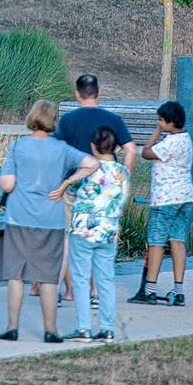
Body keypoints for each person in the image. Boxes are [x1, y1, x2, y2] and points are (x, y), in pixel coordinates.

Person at [0, 100, 97, 344]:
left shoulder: (18, 146)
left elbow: (7, 184)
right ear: (54, 120)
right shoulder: (62, 149)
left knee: (16, 275)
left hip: (19, 217)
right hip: (51, 220)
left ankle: (12, 327)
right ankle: (50, 330)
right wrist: (66, 183)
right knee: (48, 277)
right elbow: (92, 163)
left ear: (31, 117)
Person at [49, 74, 137, 303]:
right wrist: (123, 175)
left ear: (77, 94)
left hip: (75, 184)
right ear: (99, 93)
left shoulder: (68, 120)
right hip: (105, 188)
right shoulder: (113, 119)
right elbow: (131, 149)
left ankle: (55, 290)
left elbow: (56, 151)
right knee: (101, 238)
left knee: (67, 239)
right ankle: (96, 293)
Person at [53, 125, 132, 342]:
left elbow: (71, 191)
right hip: (108, 231)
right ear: (115, 147)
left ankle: (83, 328)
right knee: (105, 279)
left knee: (80, 278)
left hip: (83, 230)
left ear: (93, 146)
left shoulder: (87, 170)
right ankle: (107, 328)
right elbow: (122, 199)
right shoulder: (123, 173)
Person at [131, 100, 193, 307]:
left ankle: (149, 290)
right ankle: (179, 291)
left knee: (156, 242)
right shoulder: (186, 139)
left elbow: (146, 152)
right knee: (177, 240)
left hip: (165, 199)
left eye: (161, 120)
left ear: (171, 122)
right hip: (185, 196)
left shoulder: (170, 142)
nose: (158, 123)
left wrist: (156, 132)